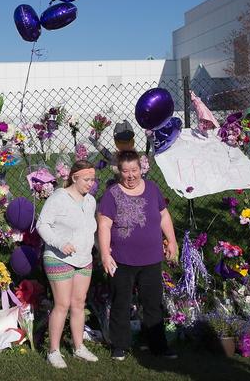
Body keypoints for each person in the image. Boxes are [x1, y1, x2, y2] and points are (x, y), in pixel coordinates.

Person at [97, 150, 178, 361]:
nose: (130, 175)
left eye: (134, 170)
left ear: (141, 169)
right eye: (126, 171)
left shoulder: (152, 189)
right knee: (120, 303)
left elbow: (163, 215)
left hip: (151, 258)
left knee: (152, 304)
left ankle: (158, 345)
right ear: (119, 172)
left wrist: (172, 241)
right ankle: (119, 345)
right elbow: (104, 225)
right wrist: (105, 254)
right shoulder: (112, 194)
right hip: (121, 259)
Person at [36, 160, 99, 369]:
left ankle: (78, 347)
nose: (91, 183)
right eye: (87, 179)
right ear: (74, 177)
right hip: (58, 257)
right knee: (62, 304)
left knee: (79, 304)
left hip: (84, 259)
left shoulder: (90, 201)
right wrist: (60, 243)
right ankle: (53, 351)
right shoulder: (58, 198)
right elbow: (42, 224)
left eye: (93, 179)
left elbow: (90, 229)